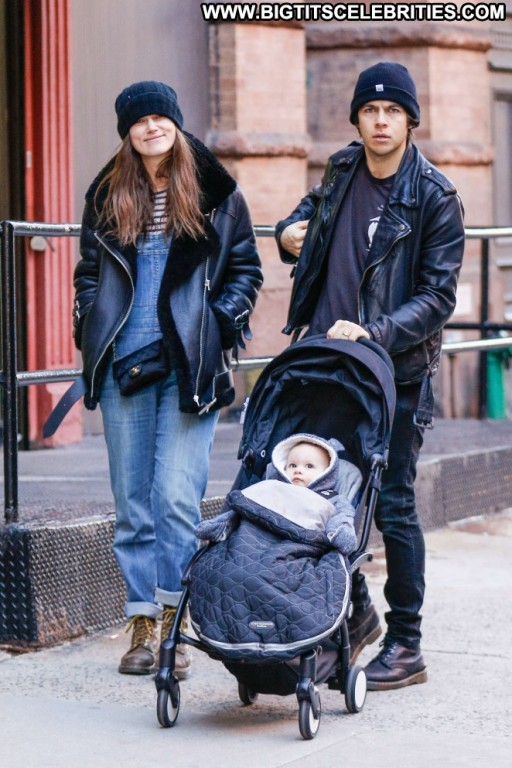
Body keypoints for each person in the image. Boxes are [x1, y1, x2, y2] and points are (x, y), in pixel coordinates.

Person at [275, 62, 465, 690]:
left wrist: (375, 331)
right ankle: (351, 617)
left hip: (394, 376)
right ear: (356, 119)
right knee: (324, 493)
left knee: (393, 504)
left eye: (392, 112)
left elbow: (437, 297)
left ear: (410, 121)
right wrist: (286, 232)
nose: (381, 122)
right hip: (326, 367)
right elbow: (303, 216)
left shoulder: (434, 196)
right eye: (370, 111)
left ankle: (407, 644)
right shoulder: (340, 169)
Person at [72, 81, 262, 677]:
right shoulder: (107, 194)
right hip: (123, 365)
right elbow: (88, 272)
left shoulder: (215, 192)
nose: (151, 127)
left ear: (176, 123)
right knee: (133, 502)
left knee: (175, 497)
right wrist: (88, 322)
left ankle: (175, 624)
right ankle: (142, 620)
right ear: (126, 132)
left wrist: (219, 323)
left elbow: (246, 268)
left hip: (189, 366)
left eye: (161, 117)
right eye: (139, 120)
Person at [197, 433, 361, 555]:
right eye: (292, 465)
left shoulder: (331, 498)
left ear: (327, 473)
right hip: (257, 541)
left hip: (305, 547)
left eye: (309, 466)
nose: (298, 470)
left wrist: (340, 532)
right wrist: (222, 524)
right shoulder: (272, 487)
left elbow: (343, 518)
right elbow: (245, 507)